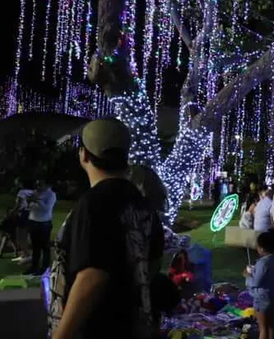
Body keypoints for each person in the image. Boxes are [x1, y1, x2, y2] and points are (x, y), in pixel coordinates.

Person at [48, 118, 164, 339]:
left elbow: (92, 276)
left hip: (97, 329)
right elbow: (153, 262)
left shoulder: (94, 203)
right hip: (132, 326)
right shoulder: (142, 204)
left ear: (83, 155)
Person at [245, 231, 274, 339]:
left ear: (261, 247)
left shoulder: (263, 263)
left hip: (262, 298)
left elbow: (256, 282)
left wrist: (247, 275)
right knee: (271, 326)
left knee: (263, 328)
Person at [26, 178, 57, 275]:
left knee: (44, 246)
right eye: (37, 184)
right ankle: (34, 267)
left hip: (44, 223)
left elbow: (47, 209)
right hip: (33, 221)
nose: (38, 187)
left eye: (40, 184)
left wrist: (37, 201)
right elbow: (29, 207)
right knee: (35, 247)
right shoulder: (35, 192)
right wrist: (30, 202)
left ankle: (45, 267)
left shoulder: (51, 195)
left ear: (46, 185)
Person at [11, 182, 33, 264]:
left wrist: (12, 213)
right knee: (24, 235)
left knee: (20, 236)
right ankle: (24, 254)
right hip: (31, 214)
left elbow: (19, 205)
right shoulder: (33, 192)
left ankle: (27, 255)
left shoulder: (22, 192)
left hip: (23, 214)